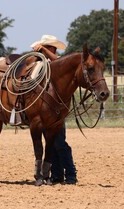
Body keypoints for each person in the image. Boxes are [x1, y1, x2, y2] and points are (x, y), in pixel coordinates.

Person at [30, 34, 77, 184]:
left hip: (56, 112)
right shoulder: (40, 63)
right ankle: (57, 175)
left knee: (59, 143)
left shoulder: (57, 63)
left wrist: (43, 49)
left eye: (52, 47)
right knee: (53, 144)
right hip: (46, 112)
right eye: (52, 47)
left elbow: (56, 59)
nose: (54, 49)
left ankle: (70, 174)